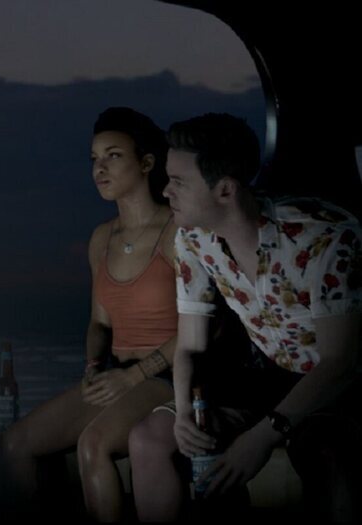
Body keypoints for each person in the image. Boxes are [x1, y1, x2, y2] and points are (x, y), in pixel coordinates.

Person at [128, 112, 362, 522]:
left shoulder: (326, 237)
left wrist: (259, 439)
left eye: (178, 181)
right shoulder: (193, 238)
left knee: (324, 451)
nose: (165, 190)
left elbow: (339, 362)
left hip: (336, 382)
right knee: (150, 438)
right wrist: (183, 413)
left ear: (225, 189)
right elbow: (190, 345)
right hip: (265, 373)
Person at [1, 107, 178, 521]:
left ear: (146, 163)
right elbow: (99, 322)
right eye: (94, 158)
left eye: (113, 156)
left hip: (166, 376)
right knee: (15, 443)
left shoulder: (176, 231)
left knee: (92, 444)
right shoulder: (101, 238)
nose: (100, 168)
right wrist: (93, 367)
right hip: (117, 372)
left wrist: (135, 376)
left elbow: (205, 327)